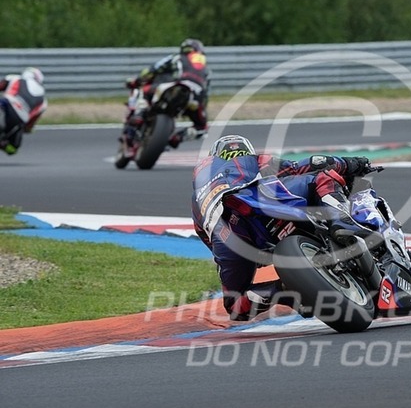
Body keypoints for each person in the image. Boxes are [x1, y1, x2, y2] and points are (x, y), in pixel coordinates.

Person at [192, 134, 374, 321]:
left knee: (235, 305)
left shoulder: (197, 198)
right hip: (259, 198)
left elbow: (208, 239)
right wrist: (349, 164)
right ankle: (342, 223)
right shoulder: (248, 160)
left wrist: (242, 257)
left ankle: (286, 290)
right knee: (322, 178)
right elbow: (305, 165)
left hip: (225, 234)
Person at [121, 38, 209, 150]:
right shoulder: (206, 68)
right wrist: (202, 107)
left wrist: (137, 80)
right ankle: (178, 137)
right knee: (202, 127)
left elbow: (154, 68)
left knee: (143, 90)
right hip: (196, 96)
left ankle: (140, 113)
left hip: (177, 85)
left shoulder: (177, 57)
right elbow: (206, 92)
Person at [0, 67, 47, 155]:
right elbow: (30, 125)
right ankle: (3, 143)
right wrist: (28, 129)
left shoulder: (15, 78)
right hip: (20, 118)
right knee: (13, 148)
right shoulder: (43, 101)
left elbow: (1, 85)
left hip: (6, 105)